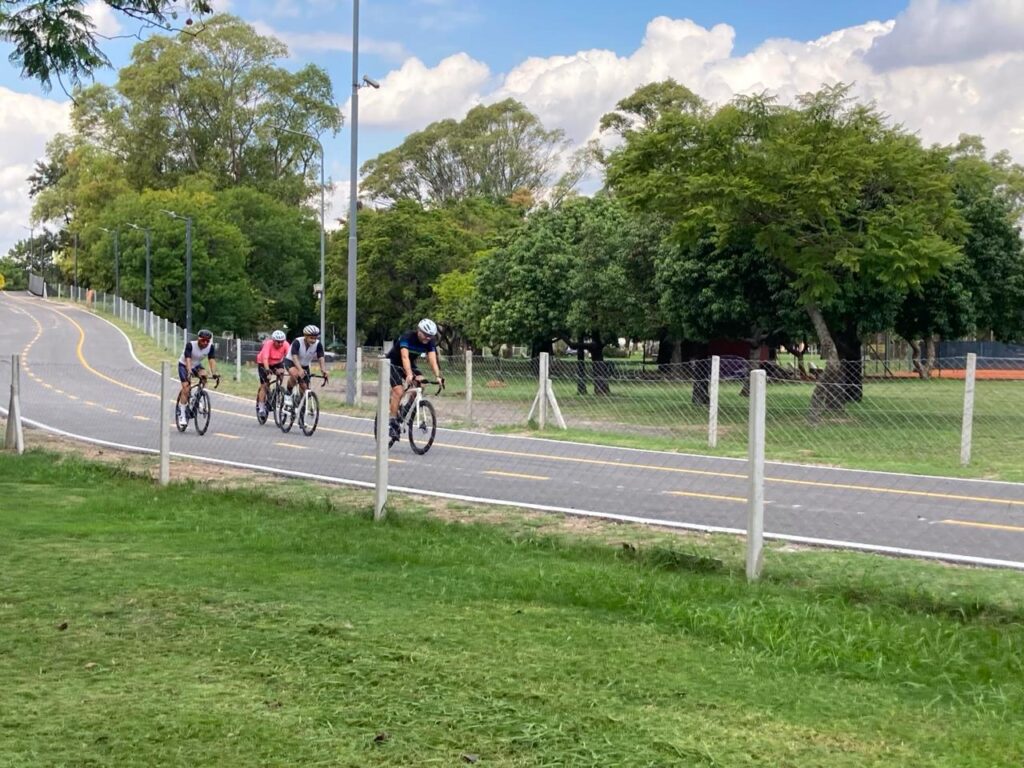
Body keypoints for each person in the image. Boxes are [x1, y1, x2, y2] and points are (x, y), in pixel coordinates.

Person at [386, 318, 445, 439]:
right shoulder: (407, 337)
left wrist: (438, 376)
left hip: (409, 365)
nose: (427, 338)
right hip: (393, 364)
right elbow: (405, 357)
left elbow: (432, 360)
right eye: (425, 335)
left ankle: (405, 411)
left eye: (430, 336)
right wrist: (409, 374)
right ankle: (392, 422)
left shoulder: (429, 342)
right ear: (418, 330)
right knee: (399, 391)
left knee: (422, 383)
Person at [282, 324, 329, 412]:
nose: (313, 340)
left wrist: (323, 370)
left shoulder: (318, 344)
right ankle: (288, 393)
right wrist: (299, 369)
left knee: (305, 389)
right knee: (295, 375)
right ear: (305, 336)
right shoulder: (297, 342)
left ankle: (300, 414)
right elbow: (294, 356)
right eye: (311, 338)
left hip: (305, 365)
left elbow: (321, 357)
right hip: (291, 362)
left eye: (315, 338)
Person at [177, 329, 218, 427]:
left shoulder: (210, 347)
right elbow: (188, 359)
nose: (205, 343)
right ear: (198, 339)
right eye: (203, 340)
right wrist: (189, 371)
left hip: (196, 365)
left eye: (207, 341)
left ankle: (198, 397)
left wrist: (214, 373)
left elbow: (211, 360)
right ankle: (182, 415)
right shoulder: (190, 345)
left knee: (204, 376)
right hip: (184, 364)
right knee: (186, 387)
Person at [255, 329, 289, 419]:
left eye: (282, 342)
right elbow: (265, 358)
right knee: (265, 385)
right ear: (273, 341)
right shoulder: (268, 344)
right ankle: (261, 407)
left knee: (282, 375)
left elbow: (289, 357)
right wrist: (267, 370)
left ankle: (277, 391)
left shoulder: (285, 344)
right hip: (264, 363)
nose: (280, 344)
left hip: (277, 362)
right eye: (278, 342)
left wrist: (286, 369)